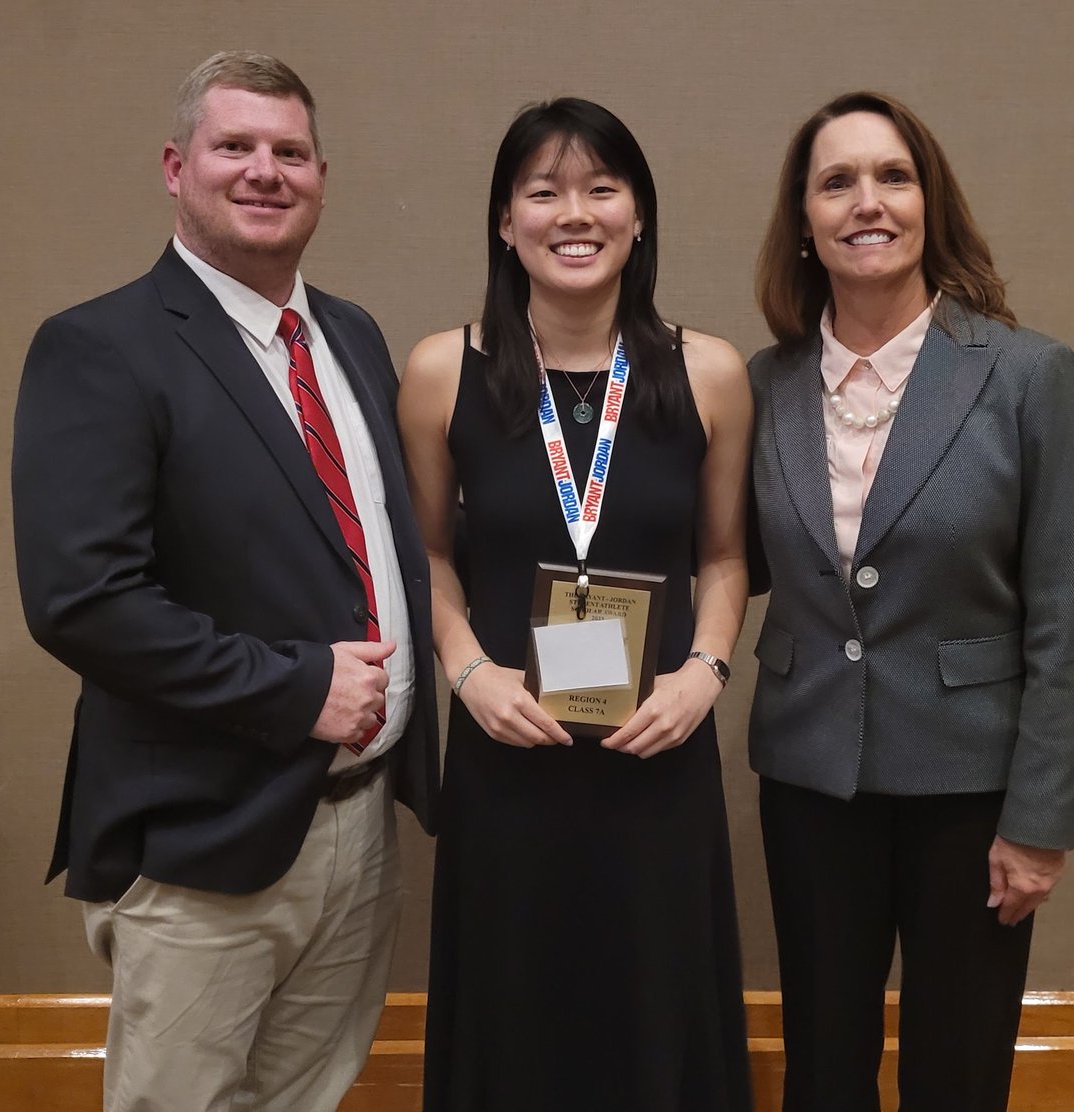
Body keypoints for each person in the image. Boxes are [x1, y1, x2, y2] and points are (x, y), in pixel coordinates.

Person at [11, 51, 438, 1112]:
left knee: (308, 1092)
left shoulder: (350, 335)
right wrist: (299, 690)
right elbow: (85, 599)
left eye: (289, 152)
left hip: (360, 822)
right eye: (235, 146)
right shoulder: (99, 348)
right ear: (175, 166)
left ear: (322, 177)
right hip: (205, 837)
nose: (265, 171)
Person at [745, 90, 1074, 1111]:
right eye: (836, 180)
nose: (868, 201)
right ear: (804, 218)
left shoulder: (1029, 375)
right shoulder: (762, 383)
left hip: (972, 790)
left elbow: (1064, 615)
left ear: (929, 201)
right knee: (824, 1064)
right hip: (810, 778)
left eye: (893, 176)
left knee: (957, 1069)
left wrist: (1040, 818)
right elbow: (718, 560)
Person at [399, 98, 754, 1111]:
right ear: (505, 221)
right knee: (515, 1020)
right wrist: (465, 671)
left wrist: (706, 672)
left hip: (659, 755)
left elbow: (725, 557)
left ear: (639, 215)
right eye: (544, 190)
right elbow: (422, 552)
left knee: (656, 1014)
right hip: (508, 754)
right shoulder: (439, 372)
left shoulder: (711, 372)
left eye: (602, 187)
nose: (575, 212)